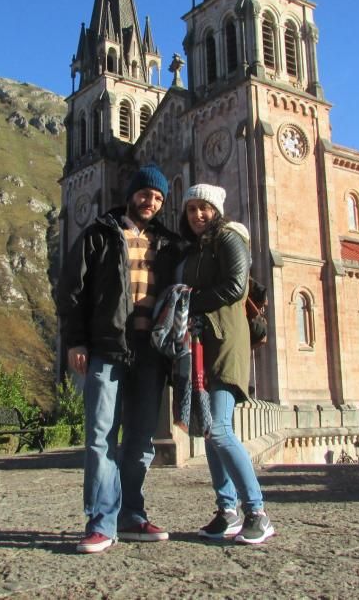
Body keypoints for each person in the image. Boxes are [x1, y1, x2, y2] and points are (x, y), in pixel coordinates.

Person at [57, 163, 181, 554]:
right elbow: (71, 290)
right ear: (131, 193)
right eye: (146, 194)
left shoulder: (168, 242)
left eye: (159, 198)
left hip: (150, 353)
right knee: (100, 437)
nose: (152, 202)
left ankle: (132, 516)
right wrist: (76, 342)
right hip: (107, 348)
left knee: (141, 439)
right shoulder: (99, 234)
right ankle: (100, 523)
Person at [179, 183, 275, 545]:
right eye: (191, 209)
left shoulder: (229, 240)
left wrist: (192, 302)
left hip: (226, 344)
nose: (198, 215)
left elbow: (235, 286)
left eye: (204, 208)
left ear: (216, 210)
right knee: (209, 429)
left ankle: (257, 512)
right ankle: (227, 511)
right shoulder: (197, 247)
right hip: (202, 342)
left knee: (218, 428)